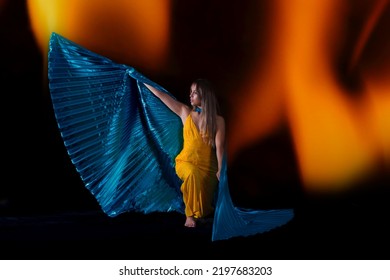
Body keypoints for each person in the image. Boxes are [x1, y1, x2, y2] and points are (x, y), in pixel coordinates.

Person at [143, 79, 225, 227]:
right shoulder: (185, 112)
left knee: (204, 200)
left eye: (195, 92)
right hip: (186, 162)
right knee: (192, 174)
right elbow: (162, 96)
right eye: (190, 92)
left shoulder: (218, 120)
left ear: (204, 95)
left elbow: (220, 147)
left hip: (208, 166)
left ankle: (200, 214)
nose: (191, 95)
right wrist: (141, 81)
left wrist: (220, 168)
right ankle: (190, 216)